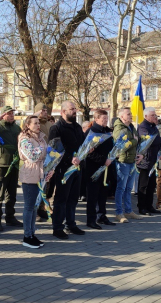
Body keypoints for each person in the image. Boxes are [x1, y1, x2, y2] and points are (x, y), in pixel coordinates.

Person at [49, 101, 86, 239]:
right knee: (61, 199)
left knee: (73, 198)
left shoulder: (77, 126)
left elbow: (82, 144)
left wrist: (87, 150)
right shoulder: (56, 128)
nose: (75, 111)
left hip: (77, 168)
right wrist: (70, 158)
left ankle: (71, 224)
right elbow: (55, 149)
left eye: (75, 108)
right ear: (63, 112)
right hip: (64, 169)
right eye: (72, 109)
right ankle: (57, 227)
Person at [18, 115, 51, 248]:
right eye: (35, 123)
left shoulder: (41, 138)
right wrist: (43, 149)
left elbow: (46, 156)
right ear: (28, 125)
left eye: (39, 123)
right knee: (29, 206)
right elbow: (32, 156)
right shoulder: (24, 138)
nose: (38, 125)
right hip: (30, 174)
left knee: (35, 207)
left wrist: (50, 168)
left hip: (40, 174)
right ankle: (27, 236)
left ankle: (32, 233)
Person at [85, 109, 115, 229]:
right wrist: (103, 160)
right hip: (93, 167)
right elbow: (88, 152)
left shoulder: (107, 131)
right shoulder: (91, 132)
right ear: (96, 119)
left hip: (106, 167)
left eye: (107, 119)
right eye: (103, 119)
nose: (106, 121)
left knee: (103, 193)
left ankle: (101, 215)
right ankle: (91, 219)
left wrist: (113, 155)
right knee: (92, 195)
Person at [113, 107, 141, 222]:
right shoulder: (119, 128)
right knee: (121, 188)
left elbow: (135, 140)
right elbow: (122, 145)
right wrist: (134, 141)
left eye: (131, 114)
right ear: (122, 116)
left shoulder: (131, 127)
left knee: (129, 188)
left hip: (132, 161)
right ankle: (119, 213)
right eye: (128, 114)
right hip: (123, 161)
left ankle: (128, 210)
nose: (131, 116)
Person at [136, 107, 161, 216]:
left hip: (153, 159)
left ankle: (149, 205)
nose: (155, 117)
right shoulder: (143, 127)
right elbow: (151, 140)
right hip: (144, 160)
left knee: (151, 184)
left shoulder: (154, 127)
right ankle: (141, 207)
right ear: (146, 116)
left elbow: (158, 140)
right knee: (143, 185)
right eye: (152, 115)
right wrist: (157, 140)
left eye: (155, 115)